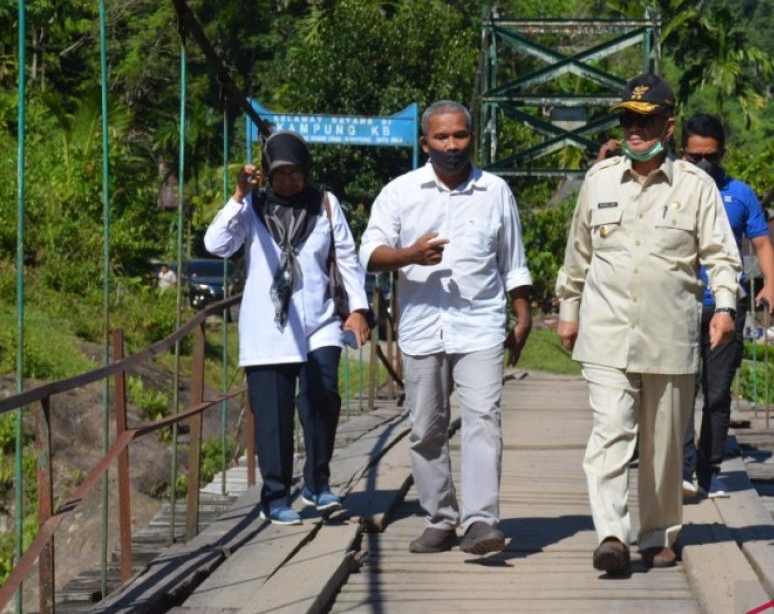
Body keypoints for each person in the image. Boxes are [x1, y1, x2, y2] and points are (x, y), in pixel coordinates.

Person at [556, 74, 742, 573]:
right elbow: (578, 254)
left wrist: (724, 307)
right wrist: (568, 311)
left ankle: (658, 532)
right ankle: (612, 535)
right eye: (627, 120)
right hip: (607, 331)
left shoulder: (696, 186)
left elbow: (723, 256)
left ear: (669, 125)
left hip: (670, 333)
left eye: (646, 120)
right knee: (611, 432)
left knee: (663, 447)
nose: (635, 130)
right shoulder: (599, 181)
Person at [359, 100, 532, 556]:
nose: (451, 146)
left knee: (482, 421)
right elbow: (369, 253)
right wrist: (408, 256)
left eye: (459, 136)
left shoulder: (495, 191)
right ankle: (440, 518)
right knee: (426, 428)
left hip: (480, 326)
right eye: (441, 138)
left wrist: (523, 313)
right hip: (421, 327)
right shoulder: (399, 192)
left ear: (471, 138)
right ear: (424, 143)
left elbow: (512, 261)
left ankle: (481, 521)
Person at [203, 130, 371, 525]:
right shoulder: (252, 209)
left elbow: (346, 258)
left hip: (319, 320)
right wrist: (238, 197)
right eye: (280, 173)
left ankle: (317, 482)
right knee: (274, 414)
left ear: (307, 171)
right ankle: (276, 496)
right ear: (266, 174)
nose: (289, 180)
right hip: (269, 326)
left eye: (296, 172)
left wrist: (359, 310)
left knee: (322, 394)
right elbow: (215, 245)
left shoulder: (326, 204)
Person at [678, 114, 774, 500]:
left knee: (717, 394)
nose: (704, 165)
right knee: (681, 391)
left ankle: (709, 471)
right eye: (695, 157)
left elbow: (762, 243)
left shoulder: (741, 193)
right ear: (682, 153)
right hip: (681, 304)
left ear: (722, 153)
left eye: (712, 157)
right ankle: (684, 468)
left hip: (725, 305)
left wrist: (770, 283)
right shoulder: (669, 188)